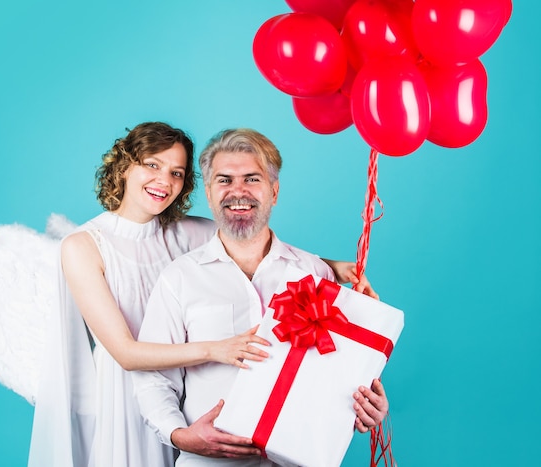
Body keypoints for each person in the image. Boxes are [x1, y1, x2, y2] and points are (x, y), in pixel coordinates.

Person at [28, 122, 372, 467]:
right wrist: (217, 350)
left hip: (187, 396)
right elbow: (126, 354)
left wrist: (332, 268)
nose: (164, 180)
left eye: (176, 172)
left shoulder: (186, 231)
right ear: (123, 166)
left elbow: (251, 237)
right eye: (152, 164)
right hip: (128, 389)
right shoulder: (83, 246)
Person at [132, 128, 389, 466]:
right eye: (224, 180)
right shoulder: (179, 278)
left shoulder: (316, 273)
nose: (238, 192)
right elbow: (154, 378)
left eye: (252, 179)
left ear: (274, 191)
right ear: (209, 194)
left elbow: (334, 371)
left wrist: (365, 405)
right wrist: (180, 435)